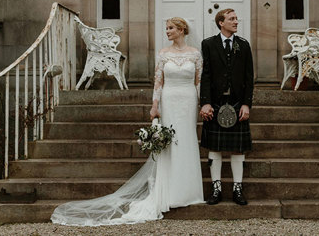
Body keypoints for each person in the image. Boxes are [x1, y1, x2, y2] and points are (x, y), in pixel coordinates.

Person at [51, 17, 204, 226]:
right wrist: (154, 105)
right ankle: (169, 191)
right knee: (170, 145)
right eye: (166, 28)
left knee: (186, 142)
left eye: (170, 28)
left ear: (181, 30)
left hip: (188, 101)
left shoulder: (195, 54)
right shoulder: (163, 54)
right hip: (169, 100)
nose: (167, 31)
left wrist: (201, 103)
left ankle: (189, 191)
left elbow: (198, 82)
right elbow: (158, 82)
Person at [199, 8, 254, 206]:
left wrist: (247, 104)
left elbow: (249, 78)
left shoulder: (244, 45)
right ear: (221, 22)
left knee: (238, 150)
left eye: (236, 18)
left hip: (238, 103)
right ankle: (217, 188)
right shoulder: (208, 44)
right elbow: (205, 75)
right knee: (215, 148)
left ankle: (238, 189)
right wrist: (205, 101)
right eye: (232, 19)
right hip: (215, 102)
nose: (236, 22)